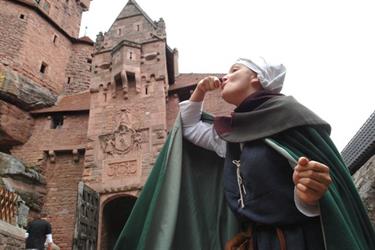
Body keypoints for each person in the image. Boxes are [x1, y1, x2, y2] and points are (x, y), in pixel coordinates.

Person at [114, 57, 375, 250]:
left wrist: (309, 196)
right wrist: (200, 91)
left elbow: (324, 199)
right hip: (254, 242)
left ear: (257, 78)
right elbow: (189, 128)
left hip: (300, 241)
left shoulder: (290, 117)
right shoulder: (232, 135)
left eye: (234, 70)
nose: (225, 76)